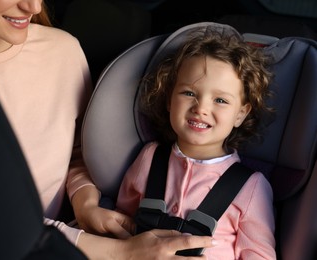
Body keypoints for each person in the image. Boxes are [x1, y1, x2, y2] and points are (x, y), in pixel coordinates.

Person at [0, 1, 217, 259]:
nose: (34, 8)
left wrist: (85, 203)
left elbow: (78, 152)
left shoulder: (62, 51)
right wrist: (121, 253)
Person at [83, 26, 277, 258]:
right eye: (189, 93)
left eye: (220, 100)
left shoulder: (252, 187)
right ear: (169, 100)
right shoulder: (149, 158)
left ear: (241, 114)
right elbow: (123, 219)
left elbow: (260, 255)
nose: (201, 108)